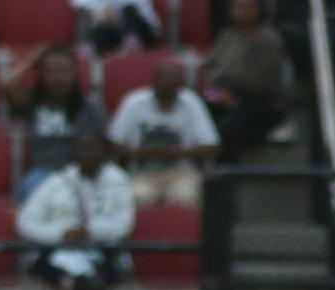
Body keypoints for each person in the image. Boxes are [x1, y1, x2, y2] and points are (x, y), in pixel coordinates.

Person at [17, 132, 137, 290]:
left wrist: (91, 232)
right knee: (46, 262)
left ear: (105, 152)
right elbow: (26, 221)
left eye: (94, 148)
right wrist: (60, 234)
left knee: (105, 268)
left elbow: (124, 223)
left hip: (102, 250)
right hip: (60, 249)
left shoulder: (118, 182)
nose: (88, 154)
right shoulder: (57, 182)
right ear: (74, 153)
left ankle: (76, 287)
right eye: (82, 149)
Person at [107, 63, 220, 210]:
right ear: (153, 83)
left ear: (180, 85)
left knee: (185, 196)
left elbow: (213, 146)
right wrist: (139, 154)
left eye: (173, 84)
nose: (168, 87)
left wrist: (177, 153)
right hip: (142, 174)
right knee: (137, 196)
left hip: (182, 173)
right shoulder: (133, 102)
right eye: (163, 82)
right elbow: (112, 143)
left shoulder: (192, 102)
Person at [5, 47, 107, 202]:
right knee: (27, 191)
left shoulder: (89, 107)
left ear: (74, 75)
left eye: (65, 72)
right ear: (42, 75)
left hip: (81, 172)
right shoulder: (32, 104)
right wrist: (31, 63)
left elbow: (103, 145)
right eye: (52, 72)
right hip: (43, 172)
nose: (59, 78)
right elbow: (7, 85)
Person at [206, 0, 291, 162]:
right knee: (200, 106)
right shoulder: (227, 35)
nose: (240, 12)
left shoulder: (268, 39)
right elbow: (211, 69)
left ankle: (228, 172)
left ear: (258, 10)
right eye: (236, 7)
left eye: (246, 8)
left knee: (229, 126)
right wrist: (216, 93)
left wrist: (230, 93)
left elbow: (264, 82)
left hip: (259, 101)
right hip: (222, 95)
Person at [74, 0, 161, 54]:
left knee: (129, 10)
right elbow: (81, 6)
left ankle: (131, 41)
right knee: (99, 27)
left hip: (143, 34)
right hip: (111, 34)